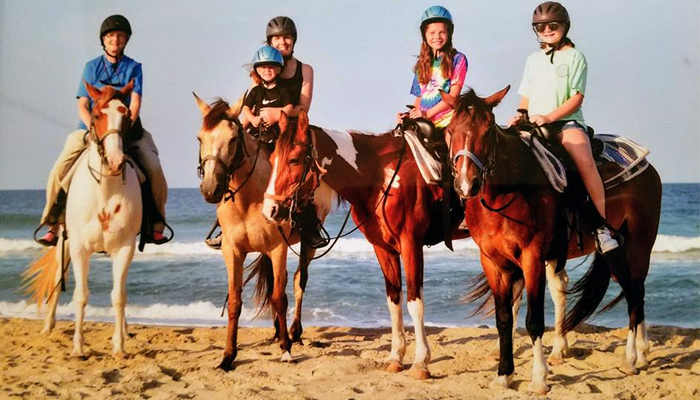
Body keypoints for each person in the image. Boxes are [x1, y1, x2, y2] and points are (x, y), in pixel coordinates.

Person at [37, 15, 169, 246]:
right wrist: (93, 130)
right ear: (103, 40)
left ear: (126, 40)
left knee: (154, 169)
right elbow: (82, 105)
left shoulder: (134, 67)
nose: (115, 40)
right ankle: (52, 223)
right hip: (91, 129)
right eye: (110, 36)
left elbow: (135, 102)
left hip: (126, 129)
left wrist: (124, 127)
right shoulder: (91, 67)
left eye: (120, 36)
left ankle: (155, 225)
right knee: (59, 169)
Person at [205, 16, 327, 250]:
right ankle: (223, 224)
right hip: (260, 129)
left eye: (287, 37)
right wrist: (249, 121)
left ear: (294, 40)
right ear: (270, 42)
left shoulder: (305, 70)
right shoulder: (263, 66)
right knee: (233, 160)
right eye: (277, 38)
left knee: (304, 168)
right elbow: (250, 105)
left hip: (290, 129)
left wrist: (277, 113)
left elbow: (303, 107)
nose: (283, 42)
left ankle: (310, 226)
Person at [508, 1, 618, 253]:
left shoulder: (575, 57)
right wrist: (520, 114)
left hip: (567, 122)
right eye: (540, 27)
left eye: (552, 25)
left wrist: (549, 117)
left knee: (585, 162)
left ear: (565, 26)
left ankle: (601, 228)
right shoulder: (533, 60)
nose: (547, 30)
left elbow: (576, 97)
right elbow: (526, 95)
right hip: (534, 123)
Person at [399, 5, 468, 136]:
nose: (437, 36)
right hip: (424, 123)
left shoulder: (457, 59)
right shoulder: (421, 64)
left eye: (442, 32)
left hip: (448, 123)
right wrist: (408, 115)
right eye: (432, 32)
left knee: (455, 153)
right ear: (424, 35)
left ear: (449, 33)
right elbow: (420, 98)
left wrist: (427, 114)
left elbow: (453, 97)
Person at [242, 46, 293, 139]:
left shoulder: (283, 89)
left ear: (278, 69)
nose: (267, 70)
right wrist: (252, 119)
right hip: (257, 132)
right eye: (263, 67)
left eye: (271, 67)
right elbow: (245, 108)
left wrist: (276, 117)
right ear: (257, 70)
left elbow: (289, 107)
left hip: (278, 132)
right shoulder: (256, 90)